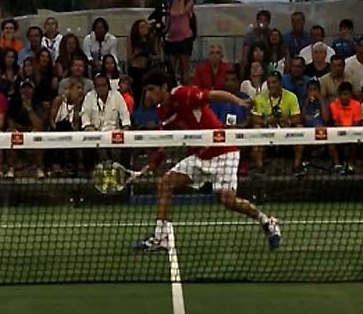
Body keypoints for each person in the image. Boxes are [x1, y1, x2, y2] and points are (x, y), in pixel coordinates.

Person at [131, 69, 281, 252]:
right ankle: (161, 237)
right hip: (200, 157)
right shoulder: (162, 111)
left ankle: (266, 221)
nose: (148, 95)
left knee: (228, 200)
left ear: (163, 87)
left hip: (224, 152)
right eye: (146, 90)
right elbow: (166, 143)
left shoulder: (183, 94)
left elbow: (215, 94)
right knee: (165, 183)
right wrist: (152, 164)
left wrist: (240, 102)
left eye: (151, 89)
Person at [249, 71, 302, 172]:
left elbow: (297, 118)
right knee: (256, 128)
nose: (271, 85)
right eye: (269, 83)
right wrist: (267, 122)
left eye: (274, 82)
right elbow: (255, 119)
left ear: (280, 83)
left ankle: (297, 166)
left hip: (286, 128)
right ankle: (259, 167)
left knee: (299, 128)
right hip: (267, 129)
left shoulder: (291, 97)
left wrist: (286, 120)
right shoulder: (260, 98)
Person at [6, 78, 46, 179]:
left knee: (39, 135)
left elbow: (39, 125)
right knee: (10, 134)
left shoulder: (37, 103)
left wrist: (29, 109)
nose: (26, 90)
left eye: (29, 88)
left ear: (33, 90)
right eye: (24, 88)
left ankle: (39, 168)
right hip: (18, 132)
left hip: (32, 132)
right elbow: (11, 124)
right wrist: (21, 129)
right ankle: (11, 169)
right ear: (20, 90)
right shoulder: (13, 102)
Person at [164, 0, 195, 85]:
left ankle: (186, 87)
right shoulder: (171, 2)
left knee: (184, 67)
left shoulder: (189, 2)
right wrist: (165, 30)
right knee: (173, 68)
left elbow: (182, 12)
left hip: (184, 37)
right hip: (173, 37)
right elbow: (169, 18)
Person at [329, 82, 363, 174]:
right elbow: (336, 123)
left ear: (350, 95)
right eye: (341, 94)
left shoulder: (357, 105)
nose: (343, 97)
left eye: (346, 94)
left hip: (353, 133)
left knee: (355, 141)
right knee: (330, 140)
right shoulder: (333, 105)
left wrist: (349, 133)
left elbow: (356, 123)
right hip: (339, 132)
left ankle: (351, 165)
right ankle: (337, 165)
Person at [127, 18, 161, 99]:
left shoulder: (150, 39)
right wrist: (137, 53)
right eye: (142, 27)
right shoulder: (132, 39)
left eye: (146, 26)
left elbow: (157, 55)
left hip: (147, 68)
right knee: (137, 93)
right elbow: (129, 58)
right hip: (135, 70)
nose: (145, 29)